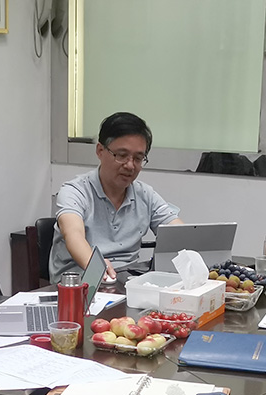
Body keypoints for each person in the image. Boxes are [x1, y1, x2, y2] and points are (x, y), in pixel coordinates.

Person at [49, 112, 182, 282]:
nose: (130, 165)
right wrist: (97, 267)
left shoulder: (145, 194)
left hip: (127, 282)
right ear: (100, 150)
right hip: (79, 283)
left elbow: (178, 233)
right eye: (121, 155)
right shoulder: (75, 191)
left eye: (138, 158)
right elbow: (73, 235)